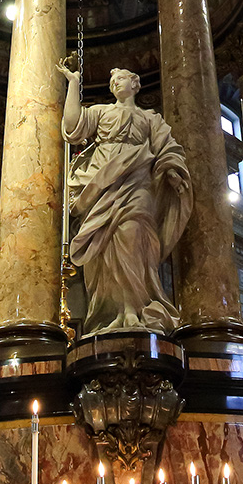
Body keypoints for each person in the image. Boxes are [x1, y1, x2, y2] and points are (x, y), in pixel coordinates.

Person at [57, 64, 192, 333]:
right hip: (102, 184)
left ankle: (135, 309)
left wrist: (173, 170)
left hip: (137, 182)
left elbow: (168, 148)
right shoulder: (101, 112)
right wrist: (73, 83)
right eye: (113, 82)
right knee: (105, 248)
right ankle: (115, 313)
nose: (115, 84)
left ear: (135, 84)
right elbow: (72, 127)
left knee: (132, 236)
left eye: (121, 80)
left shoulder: (151, 119)